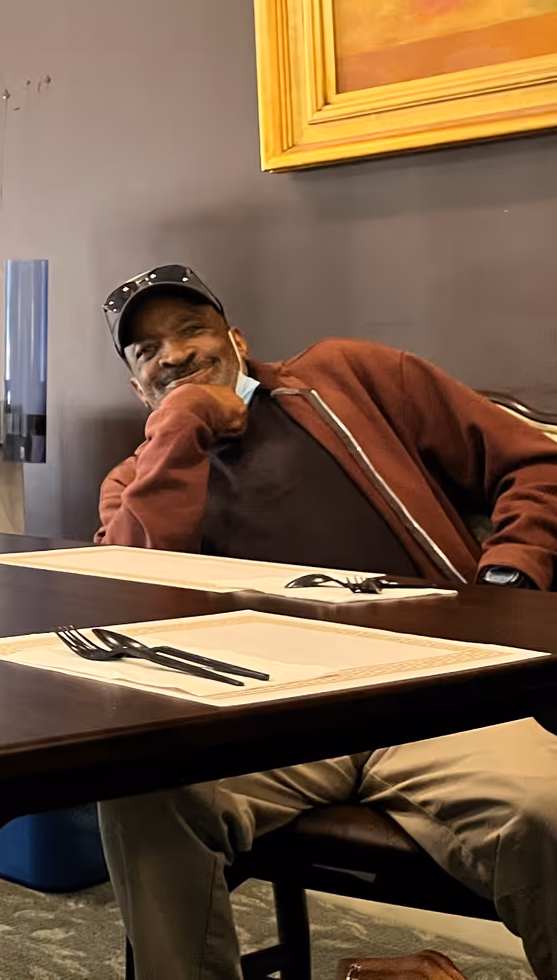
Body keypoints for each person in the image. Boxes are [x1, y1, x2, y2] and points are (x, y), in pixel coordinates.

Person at [93, 264, 557, 980]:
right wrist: (183, 425)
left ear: (237, 340)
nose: (174, 355)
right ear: (135, 386)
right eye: (147, 351)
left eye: (191, 330)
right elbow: (126, 593)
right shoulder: (135, 480)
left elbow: (537, 463)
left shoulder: (351, 377)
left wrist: (508, 577)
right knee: (143, 795)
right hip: (262, 719)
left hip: (430, 694)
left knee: (548, 809)